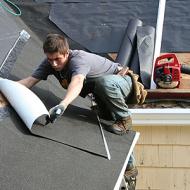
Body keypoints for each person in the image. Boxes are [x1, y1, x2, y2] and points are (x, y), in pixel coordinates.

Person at [19, 33, 144, 181]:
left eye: (57, 59)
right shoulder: (50, 63)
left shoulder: (78, 60)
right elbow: (30, 80)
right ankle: (130, 168)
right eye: (50, 59)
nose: (53, 64)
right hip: (102, 95)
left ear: (66, 53)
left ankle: (125, 118)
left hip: (121, 82)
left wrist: (63, 104)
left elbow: (77, 82)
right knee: (107, 125)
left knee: (105, 83)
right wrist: (5, 88)